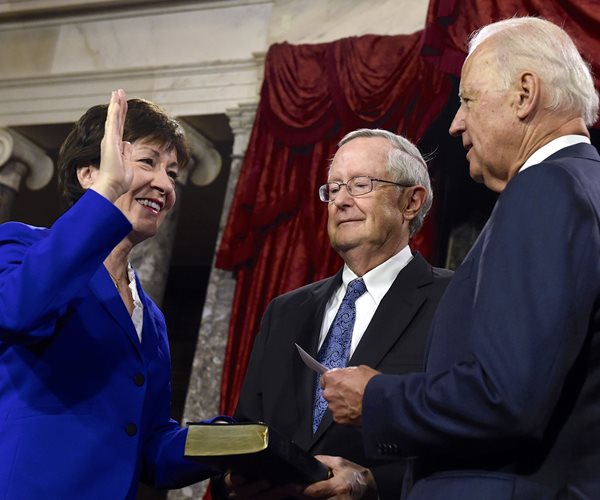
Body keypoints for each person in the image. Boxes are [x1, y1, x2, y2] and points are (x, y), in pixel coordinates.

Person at [319, 16, 600, 500]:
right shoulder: (585, 185)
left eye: (467, 100)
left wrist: (376, 398)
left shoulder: (546, 189)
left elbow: (506, 397)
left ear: (524, 93)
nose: (455, 122)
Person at [213, 128, 453, 499]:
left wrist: (374, 484)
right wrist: (231, 478)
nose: (340, 200)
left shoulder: (455, 299)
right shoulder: (285, 310)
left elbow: (470, 435)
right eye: (333, 188)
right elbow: (248, 429)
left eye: (359, 185)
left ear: (411, 202)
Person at [0, 90, 213, 498]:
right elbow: (19, 310)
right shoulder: (20, 246)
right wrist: (108, 189)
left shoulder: (150, 317)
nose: (164, 184)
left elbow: (148, 442)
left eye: (172, 173)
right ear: (88, 174)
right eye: (148, 162)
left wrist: (227, 445)